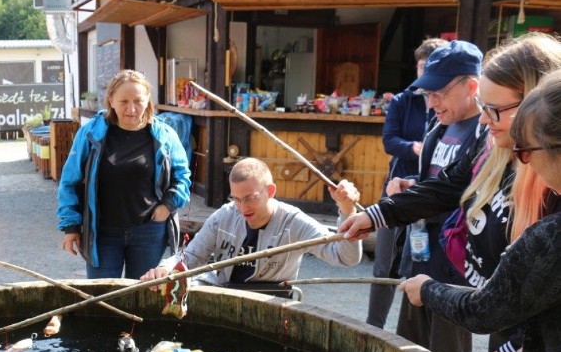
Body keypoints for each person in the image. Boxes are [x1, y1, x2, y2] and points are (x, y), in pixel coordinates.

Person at [342, 33, 561, 352]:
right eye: (483, 107)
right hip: (505, 316)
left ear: (536, 107)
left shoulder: (548, 178)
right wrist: (378, 214)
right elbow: (445, 186)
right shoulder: (495, 149)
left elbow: (532, 298)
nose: (484, 120)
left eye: (494, 110)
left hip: (533, 338)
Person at [400, 68, 561, 352]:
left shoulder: (550, 238)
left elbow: (486, 308)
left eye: (526, 150)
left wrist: (427, 289)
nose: (523, 162)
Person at [340, 40, 485, 352]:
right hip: (420, 253)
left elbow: (454, 190)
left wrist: (380, 213)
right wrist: (410, 188)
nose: (431, 102)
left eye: (438, 93)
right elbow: (435, 185)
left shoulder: (485, 134)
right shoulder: (438, 127)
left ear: (471, 86)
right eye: (427, 94)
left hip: (455, 266)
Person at [139, 157, 361, 289]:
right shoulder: (224, 216)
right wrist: (164, 268)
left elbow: (345, 257)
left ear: (270, 191)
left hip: (270, 300)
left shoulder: (293, 222)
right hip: (225, 293)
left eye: (250, 198)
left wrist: (347, 210)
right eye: (236, 199)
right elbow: (192, 257)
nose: (243, 208)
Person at [57, 69, 191, 280]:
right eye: (124, 101)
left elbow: (182, 175)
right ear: (110, 100)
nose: (131, 108)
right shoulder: (91, 133)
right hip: (102, 234)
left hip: (148, 232)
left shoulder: (165, 135)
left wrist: (167, 205)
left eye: (138, 100)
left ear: (148, 100)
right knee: (103, 297)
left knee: (144, 295)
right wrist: (71, 226)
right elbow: (70, 180)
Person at [366, 38, 446, 329]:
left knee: (421, 265)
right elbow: (390, 140)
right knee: (384, 264)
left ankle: (412, 334)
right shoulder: (403, 100)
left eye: (430, 67)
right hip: (396, 190)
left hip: (433, 195)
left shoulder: (450, 107)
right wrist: (414, 148)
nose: (424, 75)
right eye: (421, 67)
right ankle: (373, 328)